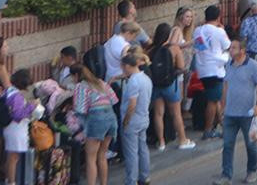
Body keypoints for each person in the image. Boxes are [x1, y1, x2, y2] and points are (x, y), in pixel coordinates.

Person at [213, 38, 257, 185]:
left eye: (234, 48)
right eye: (230, 48)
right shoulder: (229, 65)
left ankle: (252, 171)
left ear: (242, 50)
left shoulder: (253, 66)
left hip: (247, 114)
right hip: (230, 113)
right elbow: (225, 86)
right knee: (227, 145)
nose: (230, 51)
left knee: (251, 145)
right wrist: (222, 108)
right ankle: (226, 175)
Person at [148, 23, 195, 152]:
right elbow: (181, 67)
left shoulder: (151, 49)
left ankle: (161, 142)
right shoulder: (174, 49)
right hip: (170, 85)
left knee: (158, 114)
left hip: (156, 86)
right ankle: (182, 140)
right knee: (176, 113)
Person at [72, 63, 119, 185]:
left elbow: (80, 109)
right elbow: (114, 99)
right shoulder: (100, 82)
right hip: (111, 118)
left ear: (76, 75)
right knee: (102, 155)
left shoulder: (80, 86)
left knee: (90, 158)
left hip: (96, 120)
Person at [193, 5, 231, 139]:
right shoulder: (219, 32)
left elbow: (200, 47)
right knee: (213, 100)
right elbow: (227, 46)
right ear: (218, 17)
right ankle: (208, 129)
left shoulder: (198, 31)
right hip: (215, 69)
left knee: (215, 99)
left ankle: (221, 125)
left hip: (202, 68)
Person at [119, 53, 152, 185]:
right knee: (143, 148)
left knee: (131, 152)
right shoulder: (146, 78)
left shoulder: (133, 81)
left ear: (127, 66)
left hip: (133, 120)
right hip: (144, 117)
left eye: (123, 66)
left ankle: (131, 181)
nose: (122, 69)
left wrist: (126, 120)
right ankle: (145, 176)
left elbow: (132, 104)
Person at [0, 69, 37, 185]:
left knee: (11, 157)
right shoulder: (17, 96)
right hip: (16, 129)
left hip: (9, 128)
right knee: (13, 158)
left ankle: (8, 180)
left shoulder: (9, 91)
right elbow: (18, 115)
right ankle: (11, 182)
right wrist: (31, 106)